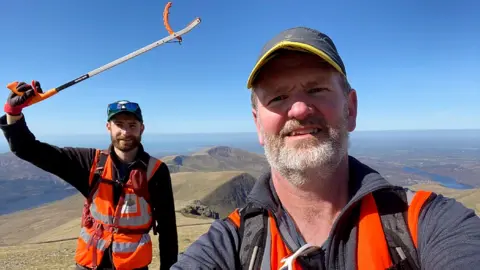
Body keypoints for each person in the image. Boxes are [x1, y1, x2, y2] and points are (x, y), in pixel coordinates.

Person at [170, 27, 480, 270]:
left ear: (351, 109)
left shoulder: (427, 222)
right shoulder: (230, 243)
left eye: (317, 89)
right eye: (277, 97)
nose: (299, 109)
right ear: (258, 125)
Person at [0, 83, 179, 270]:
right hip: (89, 264)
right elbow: (28, 149)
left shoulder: (156, 170)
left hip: (132, 266)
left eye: (132, 125)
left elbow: (167, 228)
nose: (125, 132)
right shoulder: (90, 163)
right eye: (119, 124)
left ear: (141, 128)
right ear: (108, 127)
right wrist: (13, 112)